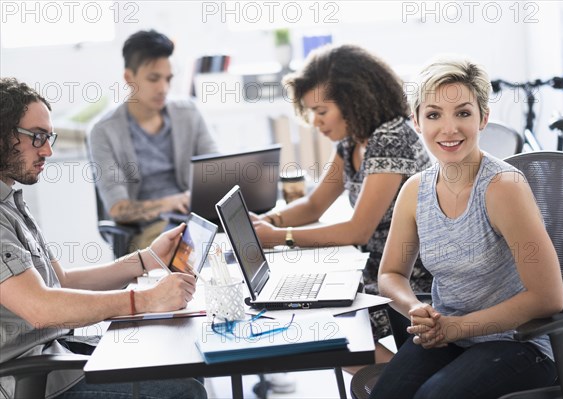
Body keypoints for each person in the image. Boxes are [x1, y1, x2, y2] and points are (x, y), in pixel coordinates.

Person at [370, 56, 563, 398]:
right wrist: (414, 307)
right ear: (416, 121)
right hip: (450, 334)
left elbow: (548, 297)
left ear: (483, 118)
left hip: (519, 342)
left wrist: (455, 328)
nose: (449, 129)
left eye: (462, 113)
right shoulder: (415, 190)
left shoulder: (503, 187)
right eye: (433, 115)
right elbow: (390, 275)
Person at [0, 78, 206, 398]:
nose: (48, 150)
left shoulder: (11, 202)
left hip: (57, 356)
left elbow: (61, 281)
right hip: (36, 381)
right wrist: (146, 300)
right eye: (37, 137)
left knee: (184, 361)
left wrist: (145, 259)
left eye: (48, 137)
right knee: (183, 390)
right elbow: (41, 309)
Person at [251, 44, 432, 362]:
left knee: (325, 328)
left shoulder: (390, 139)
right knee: (304, 307)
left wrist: (280, 238)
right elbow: (313, 205)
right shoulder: (352, 142)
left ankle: (401, 384)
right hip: (375, 266)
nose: (316, 122)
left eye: (321, 111)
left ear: (354, 101)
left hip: (410, 276)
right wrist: (270, 222)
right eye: (312, 113)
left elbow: (357, 231)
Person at [89, 29, 217, 250]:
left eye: (168, 79)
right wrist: (170, 203)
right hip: (152, 233)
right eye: (153, 79)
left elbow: (217, 170)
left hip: (200, 221)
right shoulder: (103, 131)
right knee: (191, 253)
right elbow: (119, 209)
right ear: (129, 78)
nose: (164, 88)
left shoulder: (189, 113)